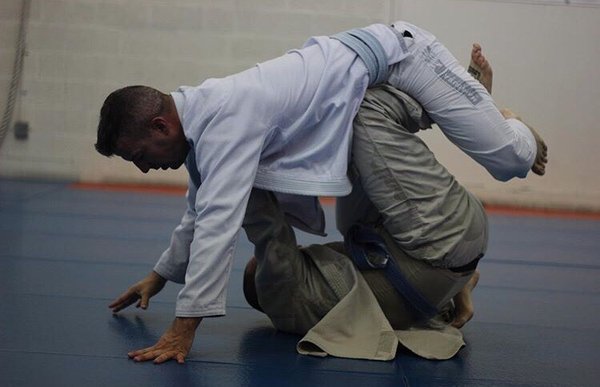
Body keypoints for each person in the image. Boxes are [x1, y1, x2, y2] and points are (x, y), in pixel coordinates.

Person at [98, 20, 548, 363]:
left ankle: (504, 122)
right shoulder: (200, 121)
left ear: (161, 125)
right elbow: (199, 207)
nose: (143, 167)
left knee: (509, 161)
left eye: (139, 154)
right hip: (364, 85)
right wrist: (161, 274)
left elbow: (218, 226)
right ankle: (472, 104)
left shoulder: (224, 124)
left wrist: (183, 329)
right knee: (355, 190)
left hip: (404, 52)